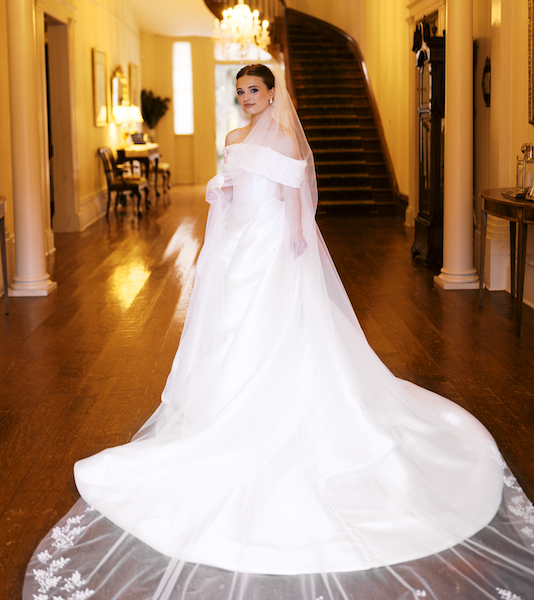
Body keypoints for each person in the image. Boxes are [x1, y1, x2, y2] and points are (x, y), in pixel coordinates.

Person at [24, 65, 534, 600]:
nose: (247, 99)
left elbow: (295, 196)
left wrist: (296, 237)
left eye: (254, 90)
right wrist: (218, 204)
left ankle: (281, 404)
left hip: (274, 245)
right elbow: (231, 192)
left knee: (279, 327)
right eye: (240, 91)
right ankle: (226, 411)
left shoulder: (288, 137)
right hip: (239, 246)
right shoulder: (232, 137)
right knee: (231, 330)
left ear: (273, 93)